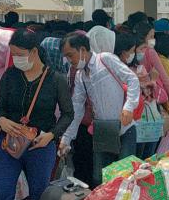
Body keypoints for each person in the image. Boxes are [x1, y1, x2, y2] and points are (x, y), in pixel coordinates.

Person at [0, 30, 71, 200]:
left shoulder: (56, 79)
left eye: (19, 54)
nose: (15, 58)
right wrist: (2, 121)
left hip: (40, 146)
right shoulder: (10, 76)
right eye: (13, 54)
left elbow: (68, 113)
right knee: (3, 196)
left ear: (34, 52)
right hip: (9, 144)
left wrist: (52, 135)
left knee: (40, 196)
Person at [59, 32, 141, 186]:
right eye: (67, 57)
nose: (70, 61)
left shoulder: (105, 59)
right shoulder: (80, 76)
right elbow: (77, 109)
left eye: (71, 55)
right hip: (103, 132)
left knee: (125, 179)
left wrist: (129, 107)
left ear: (83, 49)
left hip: (125, 129)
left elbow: (132, 79)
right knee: (100, 179)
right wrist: (66, 139)